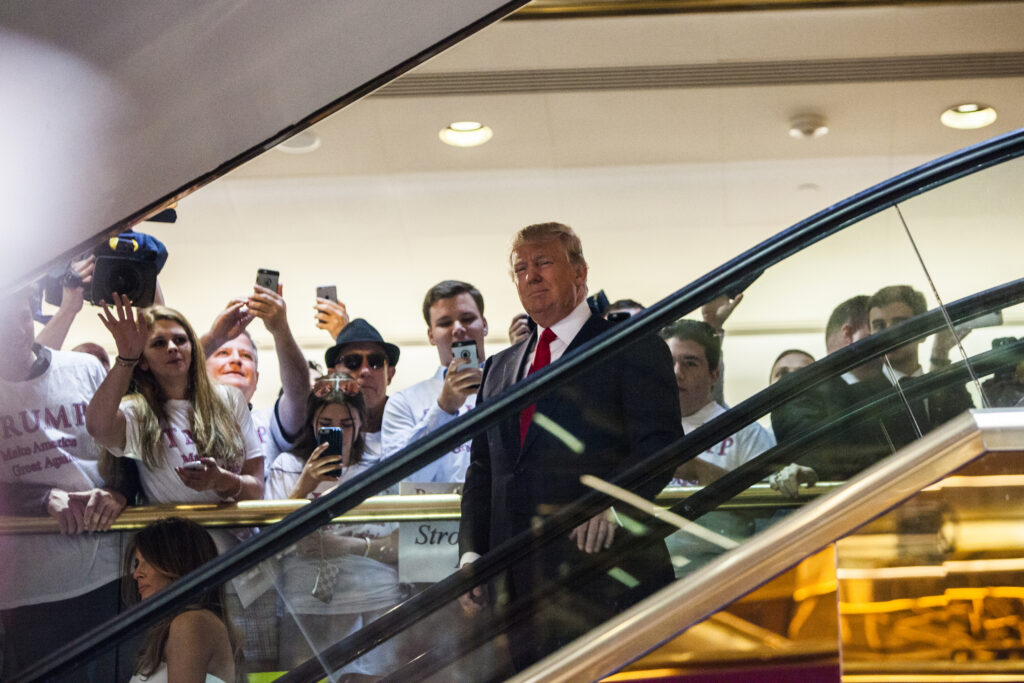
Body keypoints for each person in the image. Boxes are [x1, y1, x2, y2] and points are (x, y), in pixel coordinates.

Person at [459, 222, 683, 670]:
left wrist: (612, 504)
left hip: (604, 576)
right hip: (515, 591)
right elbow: (483, 469)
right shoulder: (499, 369)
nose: (530, 276)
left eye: (544, 263)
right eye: (520, 268)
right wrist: (471, 553)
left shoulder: (629, 345)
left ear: (580, 272)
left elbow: (661, 445)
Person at [0, 290, 134, 681]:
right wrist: (42, 498)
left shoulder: (83, 368)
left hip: (108, 569)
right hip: (29, 587)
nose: (15, 330)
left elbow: (127, 446)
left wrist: (118, 491)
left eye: (22, 316)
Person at [265, 381, 402, 676]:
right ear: (312, 424)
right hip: (307, 606)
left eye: (346, 424)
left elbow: (404, 543)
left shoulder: (381, 467)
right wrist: (304, 486)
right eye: (326, 424)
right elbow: (266, 544)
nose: (338, 433)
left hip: (374, 602)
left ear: (362, 423)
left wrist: (350, 545)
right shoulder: (288, 466)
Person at [86, 295, 264, 506]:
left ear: (192, 348)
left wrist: (224, 481)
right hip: (176, 537)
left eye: (180, 340)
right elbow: (97, 426)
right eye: (159, 343)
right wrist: (126, 357)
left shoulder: (229, 398)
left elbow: (257, 490)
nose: (172, 347)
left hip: (242, 538)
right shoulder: (138, 412)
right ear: (143, 361)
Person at [382, 280, 487, 483]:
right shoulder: (404, 402)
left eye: (467, 318)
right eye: (445, 323)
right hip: (435, 514)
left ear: (484, 325)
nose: (457, 329)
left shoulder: (513, 385)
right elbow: (399, 481)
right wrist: (443, 408)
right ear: (431, 335)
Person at [201, 282, 311, 473]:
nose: (236, 360)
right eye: (223, 353)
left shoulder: (269, 422)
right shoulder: (182, 415)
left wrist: (280, 329)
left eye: (246, 356)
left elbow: (299, 392)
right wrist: (213, 338)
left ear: (256, 379)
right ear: (201, 370)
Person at [124, 517, 238, 683]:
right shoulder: (178, 626)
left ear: (176, 563)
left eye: (147, 562)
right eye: (137, 563)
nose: (136, 574)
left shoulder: (191, 621)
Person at [324, 319, 400, 461]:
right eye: (352, 361)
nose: (365, 371)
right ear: (332, 376)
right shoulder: (317, 431)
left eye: (376, 362)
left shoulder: (410, 424)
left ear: (389, 374)